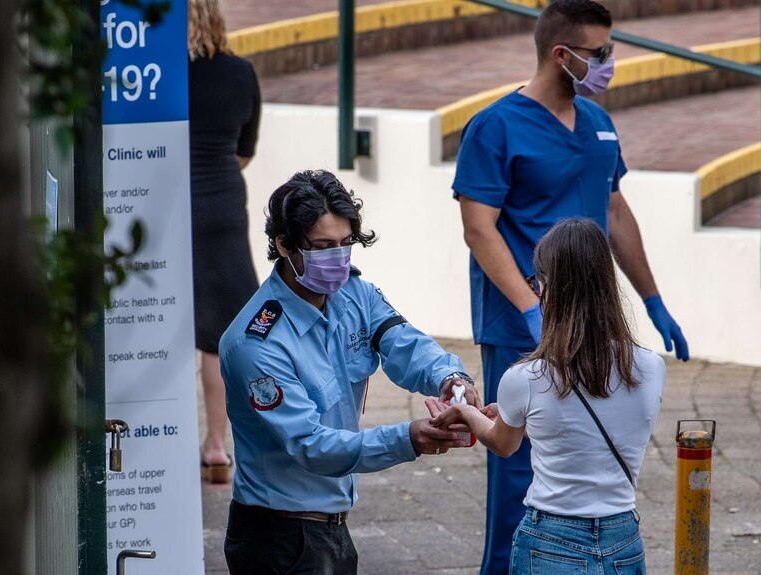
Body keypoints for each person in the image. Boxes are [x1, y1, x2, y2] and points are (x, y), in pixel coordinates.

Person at [450, 1, 688, 571]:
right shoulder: (496, 127)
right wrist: (534, 311)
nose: (610, 62)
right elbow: (478, 229)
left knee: (587, 468)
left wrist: (653, 301)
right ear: (563, 54)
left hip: (595, 323)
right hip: (520, 328)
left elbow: (616, 213)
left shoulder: (600, 124)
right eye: (600, 52)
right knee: (517, 482)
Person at [219, 170, 482, 574]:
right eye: (323, 247)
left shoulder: (353, 294)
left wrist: (452, 380)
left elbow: (404, 343)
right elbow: (310, 445)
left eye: (345, 245)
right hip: (279, 538)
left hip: (334, 527)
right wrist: (408, 438)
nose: (338, 259)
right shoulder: (257, 343)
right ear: (285, 245)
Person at [428, 218, 665, 574]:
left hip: (550, 541)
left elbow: (503, 444)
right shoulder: (651, 368)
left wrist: (467, 413)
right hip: (623, 538)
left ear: (548, 288)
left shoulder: (526, 377)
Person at [187, 0, 262, 482]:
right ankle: (219, 444)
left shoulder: (157, 74)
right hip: (223, 206)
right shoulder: (240, 72)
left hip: (161, 202)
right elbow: (244, 151)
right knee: (225, 331)